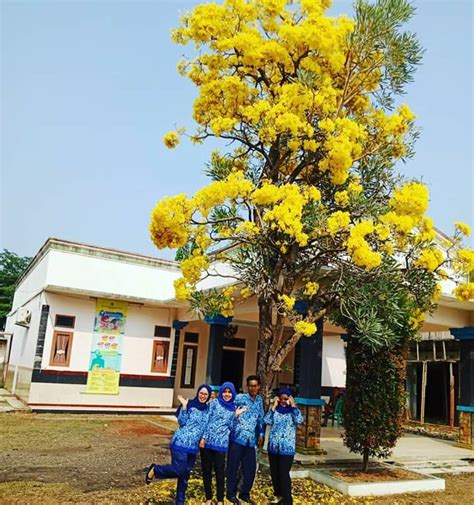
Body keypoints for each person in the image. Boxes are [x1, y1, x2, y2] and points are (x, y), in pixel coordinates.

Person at [145, 384, 212, 505]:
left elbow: (207, 426)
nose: (203, 396)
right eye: (201, 393)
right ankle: (156, 469)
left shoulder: (208, 409)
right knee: (178, 470)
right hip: (180, 443)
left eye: (205, 394)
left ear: (208, 396)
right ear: (198, 393)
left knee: (184, 476)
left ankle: (179, 502)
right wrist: (185, 407)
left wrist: (203, 438)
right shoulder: (190, 404)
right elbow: (181, 422)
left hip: (193, 448)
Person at [200, 382, 246, 505]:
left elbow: (232, 428)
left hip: (220, 444)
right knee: (206, 471)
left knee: (220, 472)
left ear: (233, 393)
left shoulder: (233, 409)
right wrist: (203, 438)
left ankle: (220, 500)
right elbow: (206, 419)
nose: (227, 394)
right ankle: (209, 498)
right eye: (225, 391)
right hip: (208, 441)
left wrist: (235, 416)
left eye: (229, 392)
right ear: (221, 392)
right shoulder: (214, 403)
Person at [226, 375, 265, 504]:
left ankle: (244, 493)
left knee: (250, 468)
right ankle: (230, 494)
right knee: (233, 467)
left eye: (255, 386)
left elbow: (261, 419)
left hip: (250, 441)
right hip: (237, 438)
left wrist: (261, 433)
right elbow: (227, 405)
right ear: (247, 386)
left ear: (259, 386)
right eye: (250, 386)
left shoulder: (259, 400)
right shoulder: (240, 398)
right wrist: (234, 415)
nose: (253, 388)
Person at [264, 388, 304, 505]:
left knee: (283, 474)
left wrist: (293, 406)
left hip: (287, 449)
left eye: (285, 399)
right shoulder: (275, 411)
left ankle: (287, 500)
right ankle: (278, 496)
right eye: (281, 399)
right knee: (275, 474)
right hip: (273, 448)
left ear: (290, 399)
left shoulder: (293, 412)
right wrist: (273, 407)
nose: (283, 401)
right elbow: (267, 420)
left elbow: (300, 420)